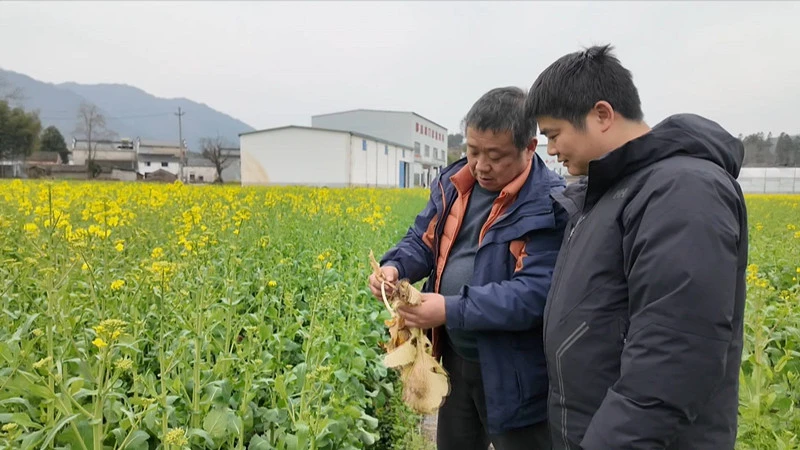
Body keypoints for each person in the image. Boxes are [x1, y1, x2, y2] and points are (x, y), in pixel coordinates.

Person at [524, 44, 748, 449]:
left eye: (554, 135)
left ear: (602, 115)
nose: (551, 151)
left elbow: (674, 356)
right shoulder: (613, 192)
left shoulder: (681, 190)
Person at [369, 86, 568, 450]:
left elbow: (534, 293)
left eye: (495, 156)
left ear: (529, 148)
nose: (480, 166)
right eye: (473, 151)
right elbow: (422, 239)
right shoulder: (455, 183)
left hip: (515, 371)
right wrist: (395, 267)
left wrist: (447, 308)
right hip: (457, 358)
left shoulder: (550, 203)